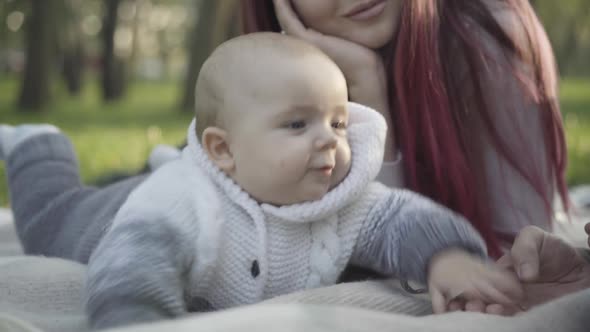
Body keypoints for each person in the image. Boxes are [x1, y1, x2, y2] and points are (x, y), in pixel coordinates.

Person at [0, 33, 523, 329]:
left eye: (337, 122)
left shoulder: (339, 198)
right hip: (103, 220)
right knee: (50, 216)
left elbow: (400, 219)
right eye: (298, 124)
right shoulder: (181, 204)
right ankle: (37, 145)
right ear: (223, 149)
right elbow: (131, 267)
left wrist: (447, 258)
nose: (328, 140)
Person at [241, 0, 570, 257]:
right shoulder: (280, 72)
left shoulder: (488, 34)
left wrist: (369, 102)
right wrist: (366, 86)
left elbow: (525, 253)